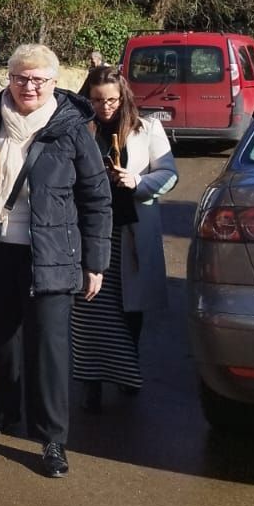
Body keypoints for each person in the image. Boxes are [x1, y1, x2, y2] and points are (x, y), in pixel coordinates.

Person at [0, 44, 112, 478]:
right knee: (1, 337)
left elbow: (97, 199)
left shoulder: (72, 128)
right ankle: (5, 411)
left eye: (39, 80)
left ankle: (52, 439)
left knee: (49, 349)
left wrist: (95, 262)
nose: (29, 87)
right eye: (22, 78)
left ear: (54, 83)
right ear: (10, 78)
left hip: (54, 254)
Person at [73, 66, 177, 411]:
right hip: (90, 230)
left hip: (129, 229)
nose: (105, 108)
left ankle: (126, 371)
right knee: (89, 307)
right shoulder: (77, 128)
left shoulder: (147, 128)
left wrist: (137, 182)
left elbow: (169, 175)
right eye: (98, 100)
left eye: (112, 101)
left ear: (125, 98)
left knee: (127, 308)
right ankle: (91, 381)